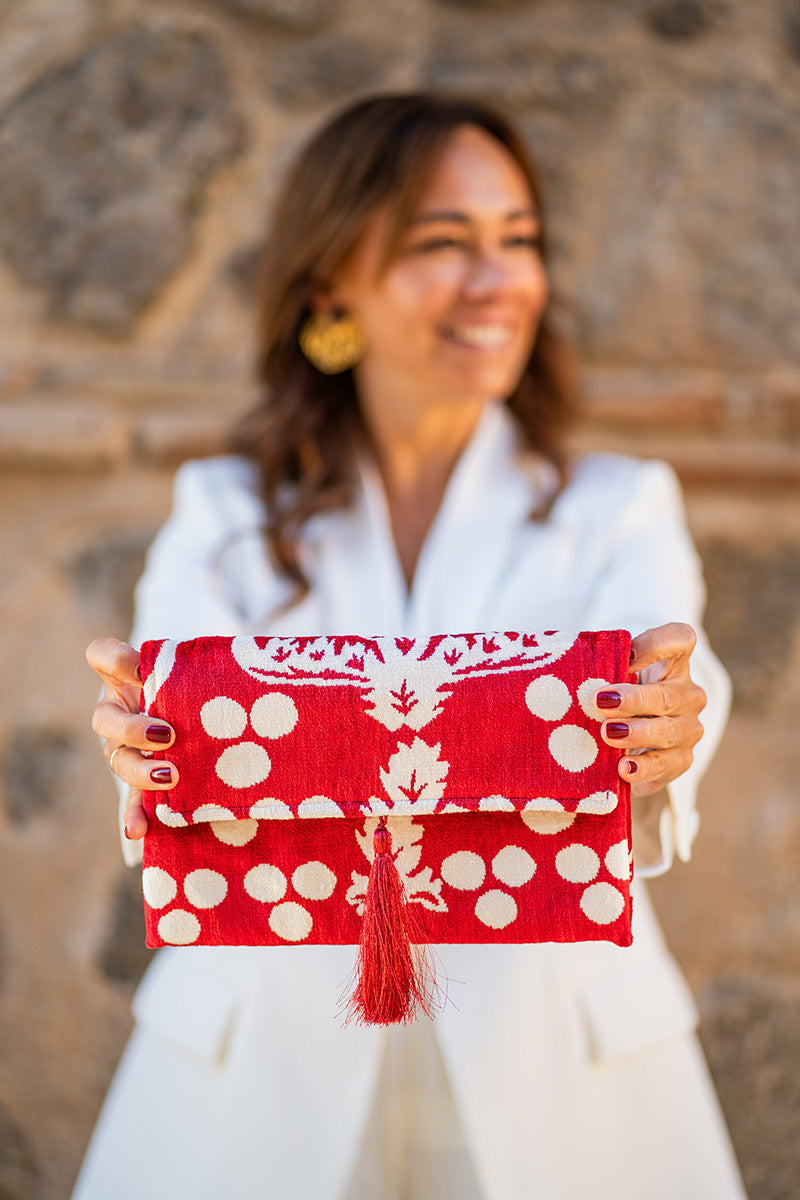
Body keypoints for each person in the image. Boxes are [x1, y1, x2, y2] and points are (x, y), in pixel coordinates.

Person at [75, 93, 746, 1199]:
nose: (497, 281)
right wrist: (140, 742)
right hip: (260, 1064)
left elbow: (674, 663)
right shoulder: (225, 510)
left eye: (517, 240)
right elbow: (169, 707)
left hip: (551, 1061)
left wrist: (676, 722)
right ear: (331, 280)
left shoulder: (616, 505)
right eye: (443, 244)